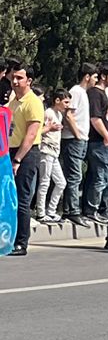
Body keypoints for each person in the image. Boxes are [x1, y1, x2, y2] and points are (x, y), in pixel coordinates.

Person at [6, 63, 45, 257]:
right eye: (13, 77)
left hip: (26, 154)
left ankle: (21, 242)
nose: (15, 81)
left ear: (29, 80)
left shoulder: (33, 102)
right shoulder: (14, 101)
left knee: (22, 199)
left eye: (19, 78)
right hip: (10, 151)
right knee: (8, 198)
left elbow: (31, 135)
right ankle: (9, 238)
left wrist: (18, 159)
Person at [62, 64, 94, 227]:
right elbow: (68, 114)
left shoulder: (83, 93)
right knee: (74, 176)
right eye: (94, 76)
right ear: (87, 76)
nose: (96, 80)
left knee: (76, 176)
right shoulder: (76, 91)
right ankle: (72, 211)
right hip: (73, 140)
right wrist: (77, 134)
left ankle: (72, 209)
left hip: (80, 139)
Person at [82, 64, 108, 226]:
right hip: (98, 142)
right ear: (103, 76)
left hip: (103, 141)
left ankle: (100, 208)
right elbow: (95, 118)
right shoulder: (95, 93)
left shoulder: (103, 93)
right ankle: (91, 209)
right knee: (100, 176)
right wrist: (106, 136)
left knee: (107, 177)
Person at [35, 90, 69, 225]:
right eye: (65, 102)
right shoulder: (48, 113)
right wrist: (50, 128)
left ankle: (51, 211)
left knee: (61, 182)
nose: (67, 105)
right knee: (44, 182)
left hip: (54, 152)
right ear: (57, 100)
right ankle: (41, 213)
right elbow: (39, 131)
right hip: (46, 150)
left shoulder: (59, 115)